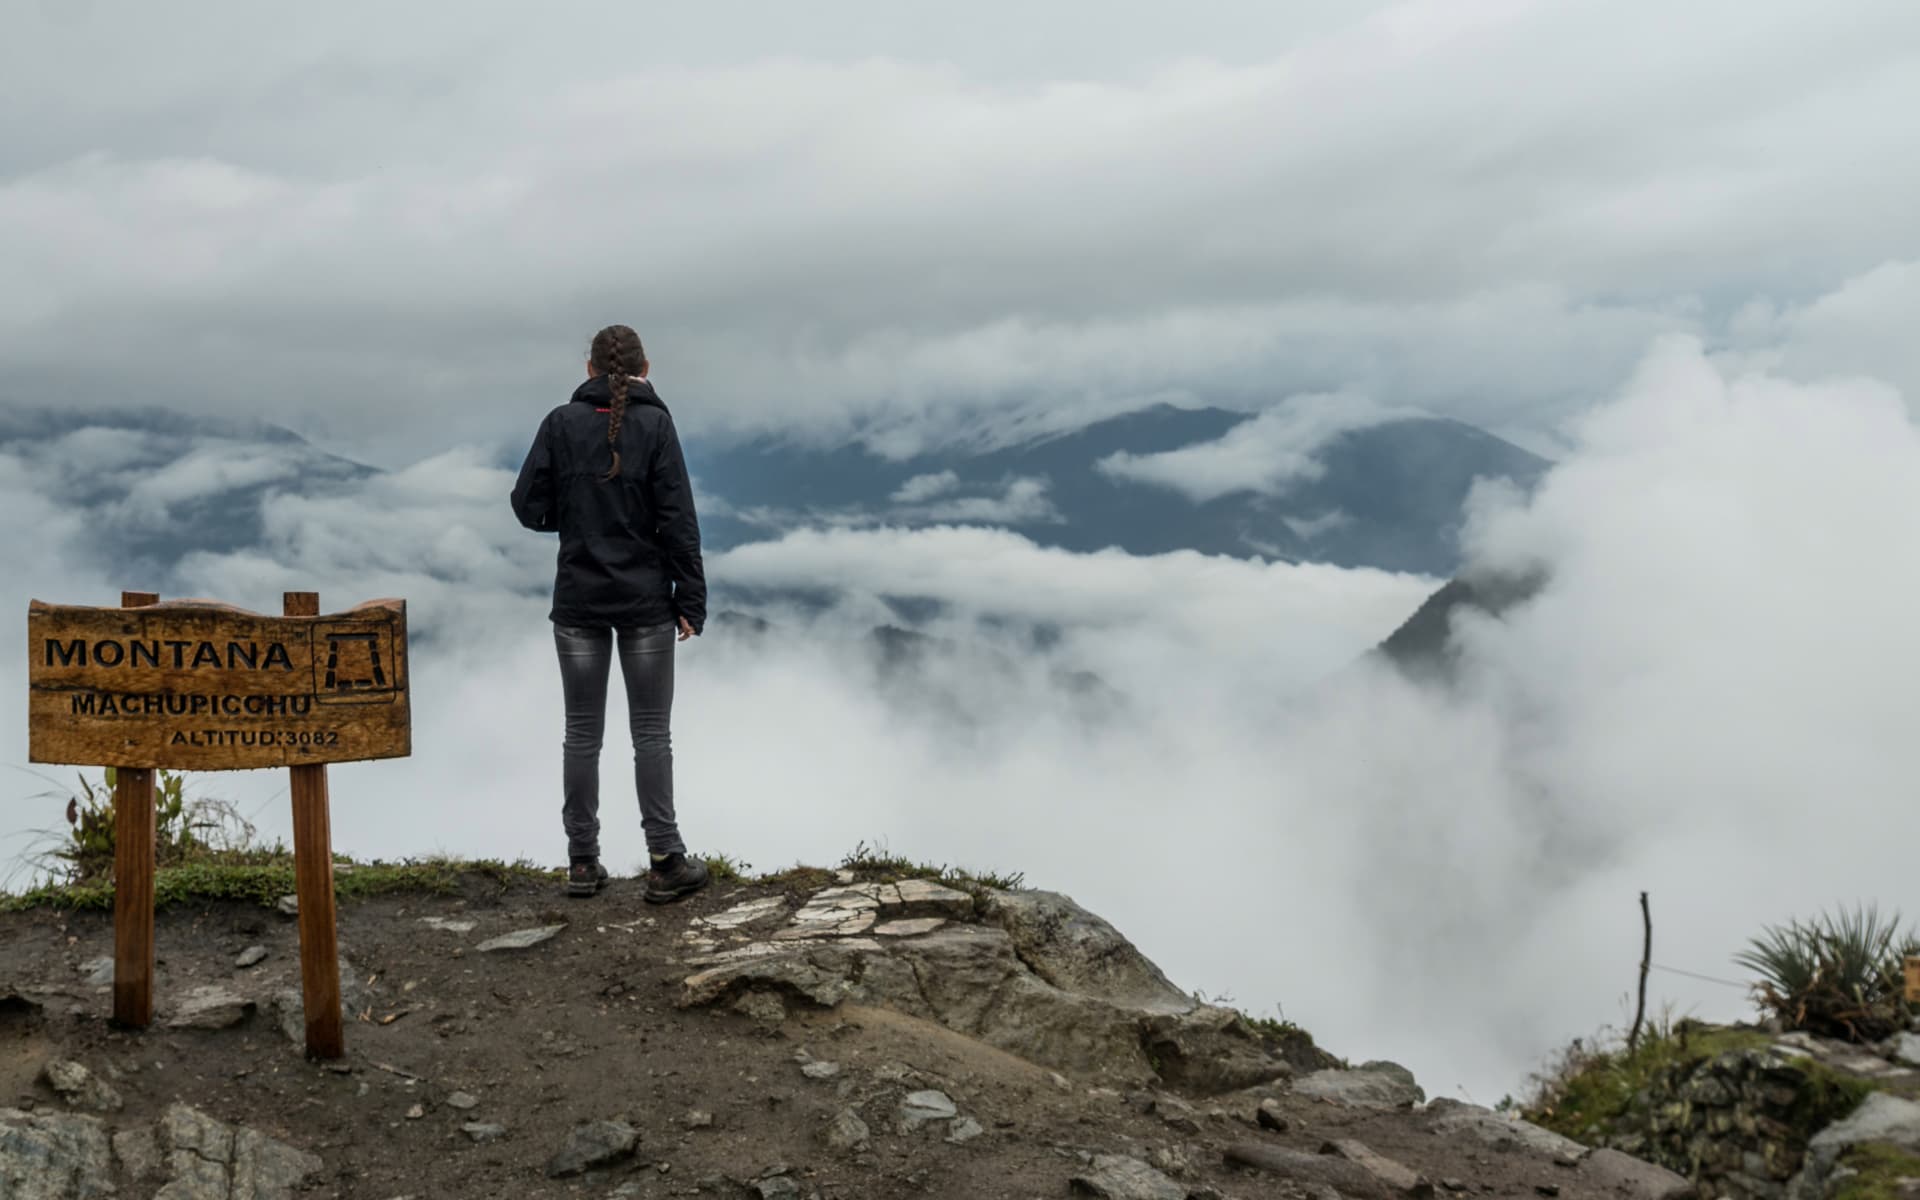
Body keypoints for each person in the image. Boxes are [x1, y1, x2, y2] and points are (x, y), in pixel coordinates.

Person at [510, 324, 711, 904]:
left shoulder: (560, 424)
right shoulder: (656, 426)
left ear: (589, 366)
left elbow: (527, 506)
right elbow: (679, 520)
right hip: (646, 600)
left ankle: (581, 862)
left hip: (578, 599)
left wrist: (571, 525)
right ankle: (666, 859)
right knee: (651, 733)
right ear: (646, 368)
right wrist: (690, 598)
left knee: (581, 733)